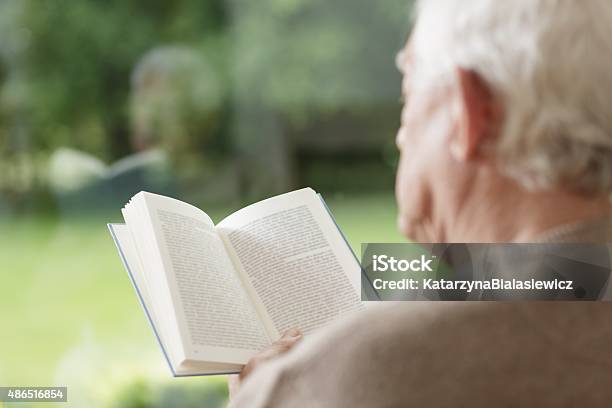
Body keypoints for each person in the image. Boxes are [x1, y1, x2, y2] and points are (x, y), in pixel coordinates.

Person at [229, 0, 612, 406]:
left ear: (471, 113)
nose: (400, 136)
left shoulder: (354, 373)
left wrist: (272, 393)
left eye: (408, 94)